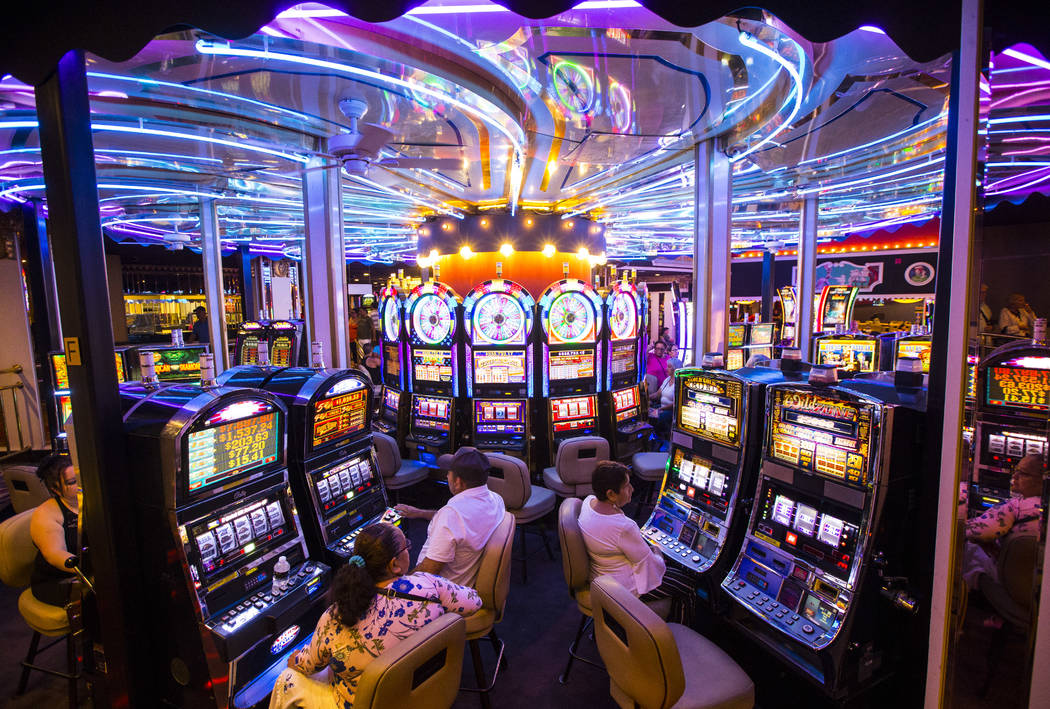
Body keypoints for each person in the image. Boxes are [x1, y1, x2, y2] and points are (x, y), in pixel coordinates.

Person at [269, 522, 481, 708]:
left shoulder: (336, 616)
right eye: (406, 545)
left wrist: (296, 658)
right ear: (395, 564)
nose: (409, 546)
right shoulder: (429, 585)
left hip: (366, 703)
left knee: (287, 678)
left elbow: (309, 665)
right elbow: (474, 602)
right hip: (425, 691)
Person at [577, 461, 695, 624]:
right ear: (611, 494)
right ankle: (676, 637)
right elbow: (649, 566)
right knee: (687, 584)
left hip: (601, 577)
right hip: (624, 588)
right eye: (626, 486)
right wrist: (658, 551)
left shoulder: (588, 503)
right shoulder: (624, 527)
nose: (632, 489)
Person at [394, 447, 506, 586]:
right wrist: (419, 512)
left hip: (441, 590)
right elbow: (460, 523)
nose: (447, 476)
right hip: (464, 582)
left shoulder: (452, 515)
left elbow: (428, 572)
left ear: (458, 482)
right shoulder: (496, 499)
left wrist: (399, 585)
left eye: (448, 473)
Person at [962, 454, 1045, 591]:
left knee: (969, 547)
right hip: (1034, 589)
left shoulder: (1016, 506)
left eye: (1023, 473)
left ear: (1043, 481)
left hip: (1009, 582)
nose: (1015, 476)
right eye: (1016, 470)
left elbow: (974, 532)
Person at [29, 454, 80, 606]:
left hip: (90, 572)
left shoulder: (91, 499)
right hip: (54, 581)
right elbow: (55, 554)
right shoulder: (46, 514)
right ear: (55, 489)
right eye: (72, 482)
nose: (79, 485)